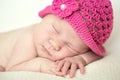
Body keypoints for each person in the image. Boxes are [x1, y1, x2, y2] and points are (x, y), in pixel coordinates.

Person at [0, 0, 113, 78]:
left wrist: (81, 59)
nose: (55, 44)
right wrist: (41, 64)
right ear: (46, 15)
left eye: (70, 46)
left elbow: (97, 54)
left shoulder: (81, 48)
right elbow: (12, 68)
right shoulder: (28, 38)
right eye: (55, 29)